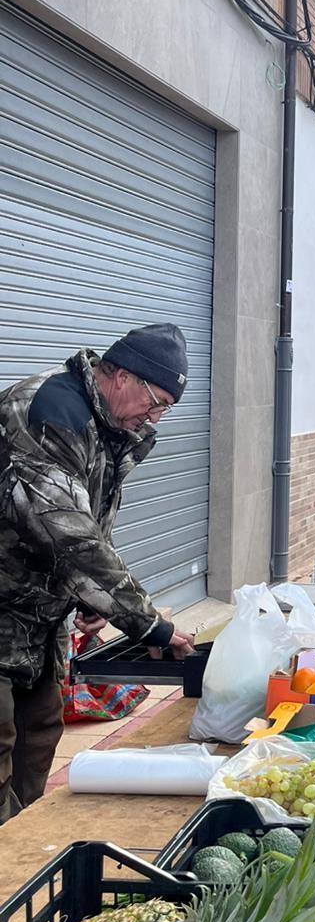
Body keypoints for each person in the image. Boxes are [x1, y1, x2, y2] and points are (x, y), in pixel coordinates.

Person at [0, 325, 196, 819]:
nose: (155, 417)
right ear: (122, 376)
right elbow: (70, 537)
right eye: (155, 402)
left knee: (41, 726)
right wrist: (149, 624)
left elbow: (86, 521)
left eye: (166, 409)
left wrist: (89, 597)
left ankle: (17, 846)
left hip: (36, 615)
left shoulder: (109, 425)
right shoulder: (47, 415)